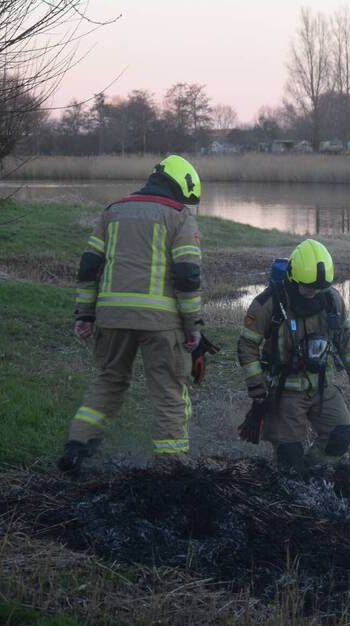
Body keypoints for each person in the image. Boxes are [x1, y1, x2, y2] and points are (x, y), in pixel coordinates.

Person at [58, 154, 204, 476]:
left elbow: (88, 266)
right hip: (161, 323)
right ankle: (170, 468)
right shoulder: (180, 217)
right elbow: (187, 276)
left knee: (109, 380)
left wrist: (85, 314)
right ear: (181, 187)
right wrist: (193, 325)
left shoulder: (113, 210)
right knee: (168, 390)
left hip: (111, 317)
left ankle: (77, 446)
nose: (187, 203)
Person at [237, 239, 350, 470]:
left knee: (341, 435)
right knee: (289, 456)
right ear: (294, 277)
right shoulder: (269, 303)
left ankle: (311, 473)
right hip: (284, 391)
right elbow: (247, 345)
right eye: (309, 287)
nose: (314, 292)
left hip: (321, 386)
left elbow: (346, 338)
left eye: (319, 287)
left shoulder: (332, 300)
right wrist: (257, 386)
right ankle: (293, 481)